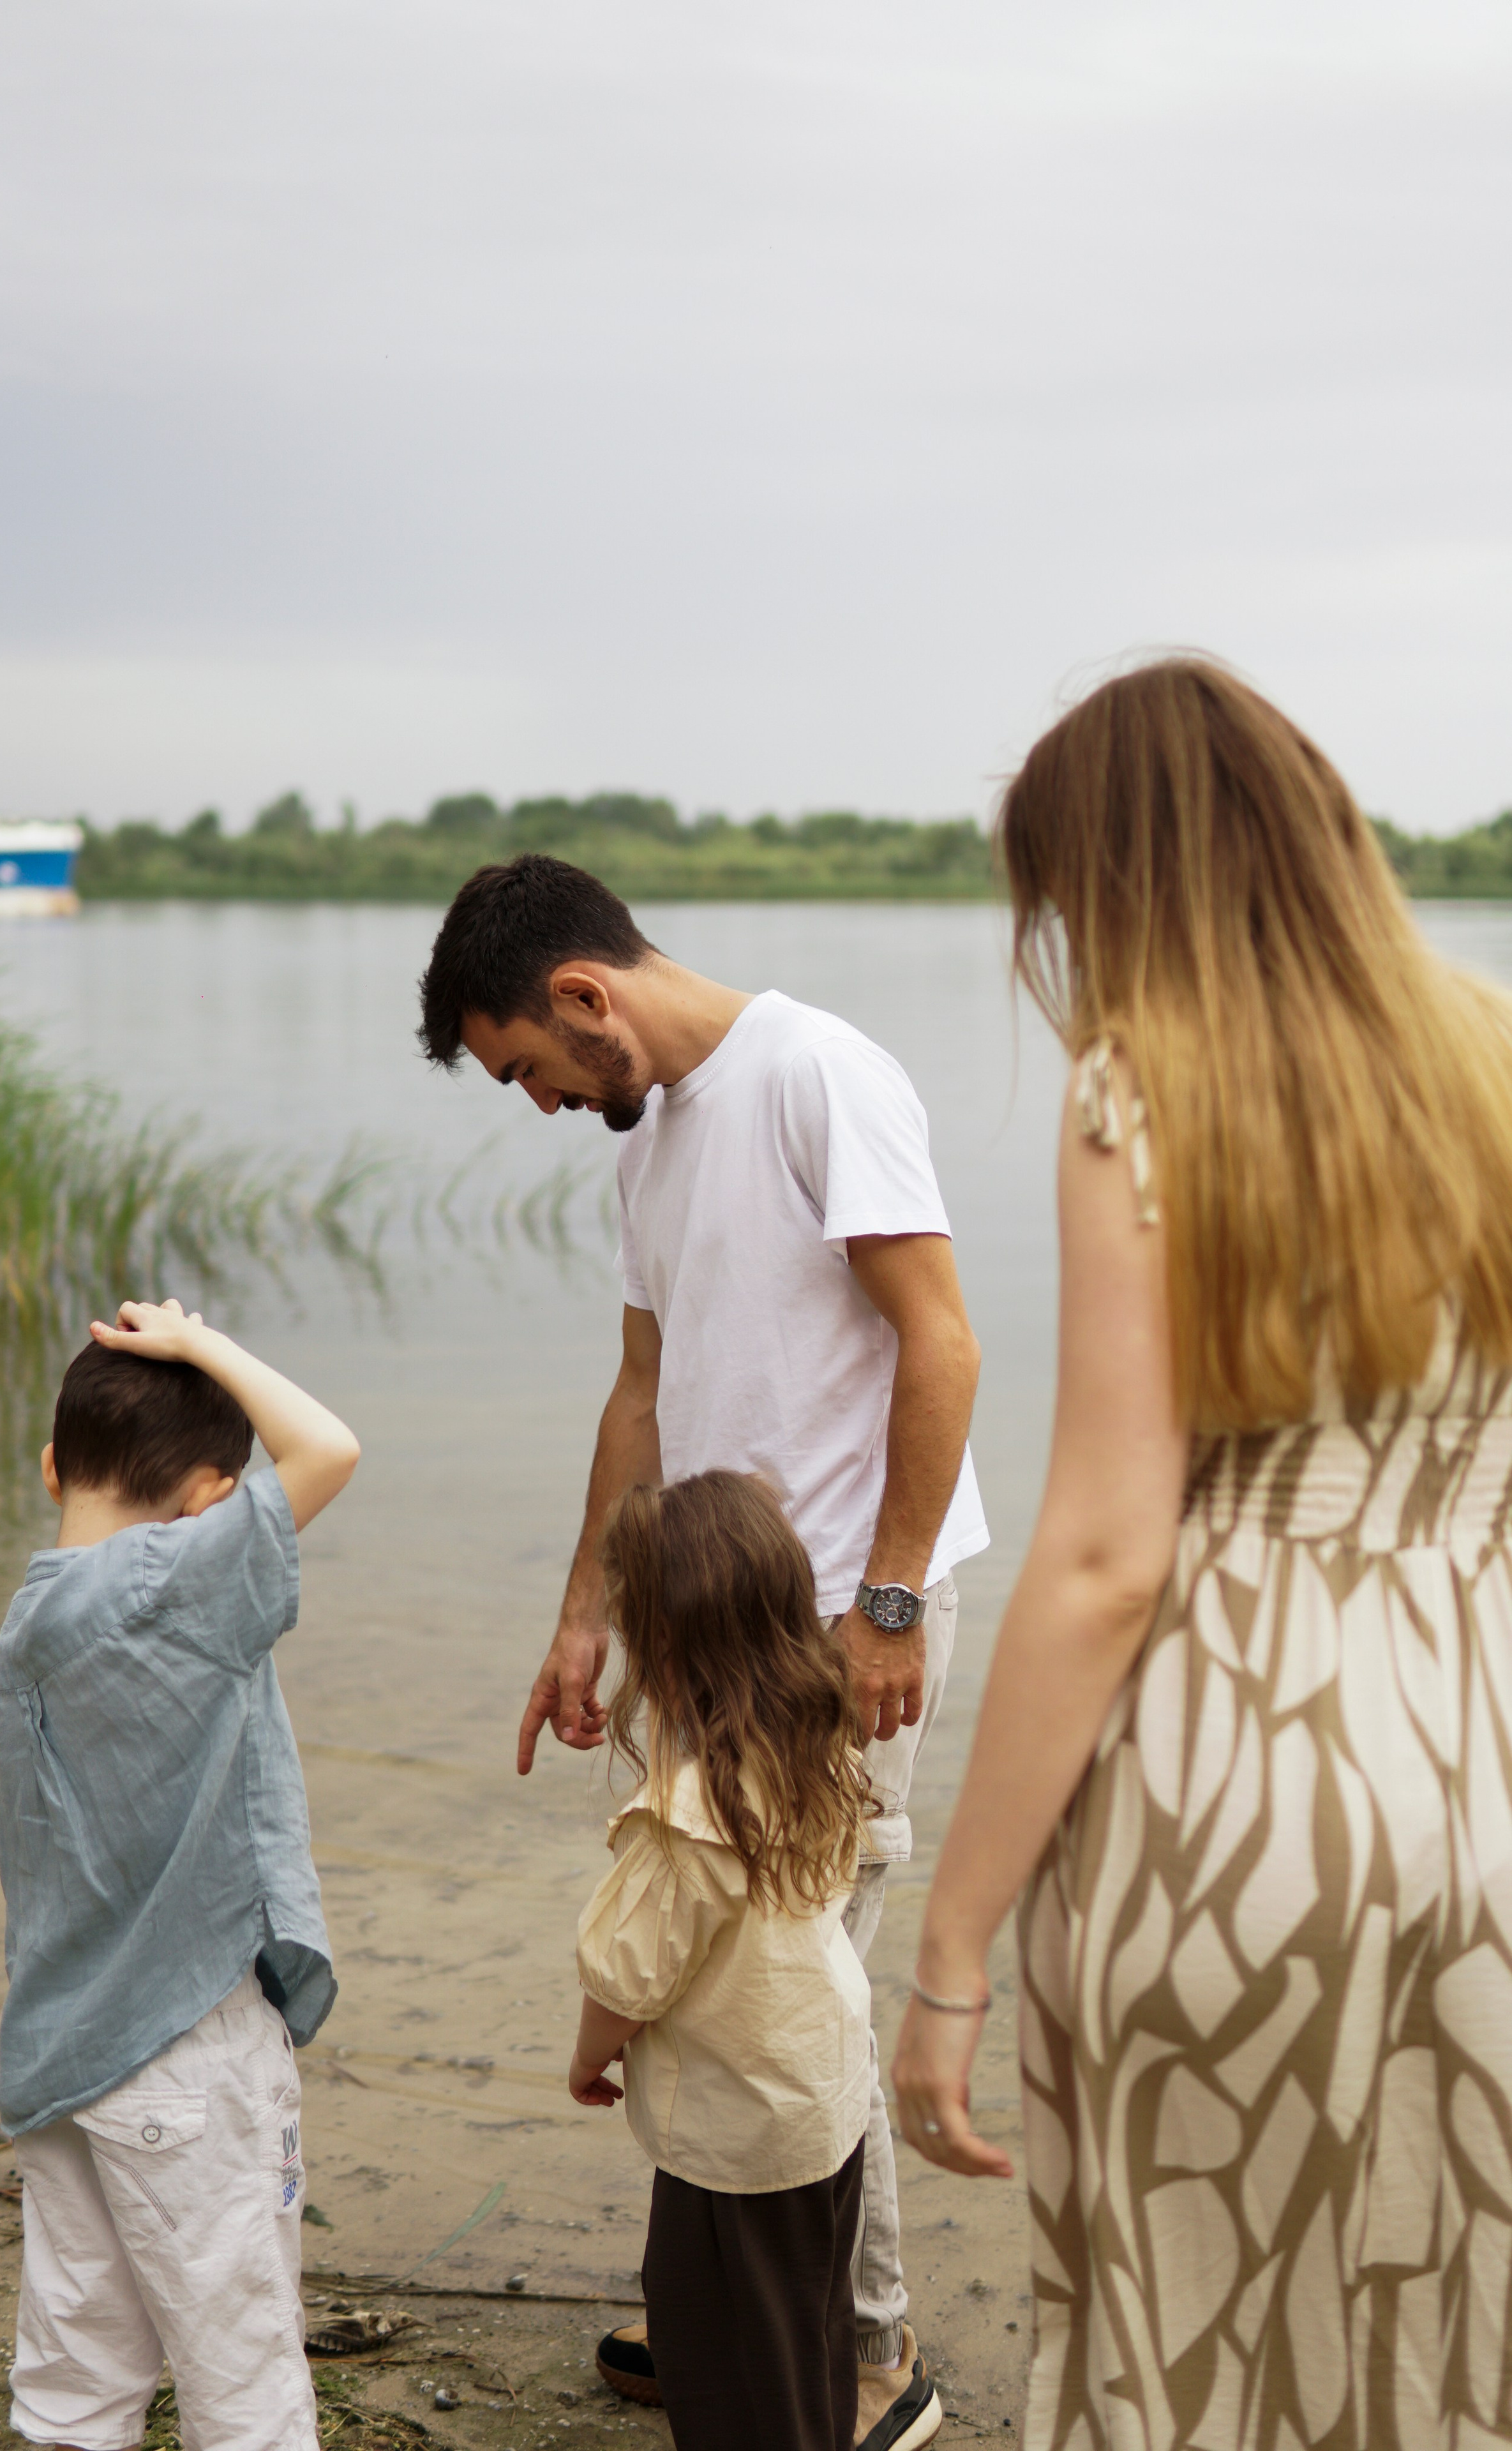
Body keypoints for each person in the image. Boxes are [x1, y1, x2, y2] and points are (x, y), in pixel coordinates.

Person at [891, 658, 1512, 2448]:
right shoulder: (1484, 1061)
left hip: (1235, 1793)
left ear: (1124, 881)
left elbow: (1104, 1557)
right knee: (1434, 2330)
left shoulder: (1141, 1092)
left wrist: (953, 1946)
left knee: (1188, 2347)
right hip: (1474, 1781)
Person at [420, 852, 986, 2443]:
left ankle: (869, 2358)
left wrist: (884, 1603)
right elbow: (637, 1395)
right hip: (704, 1614)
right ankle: (733, 2301)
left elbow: (939, 1342)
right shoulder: (648, 1143)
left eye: (525, 1067)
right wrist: (582, 1614)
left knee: (809, 1983)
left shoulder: (815, 1074)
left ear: (585, 996)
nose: (533, 1101)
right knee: (704, 1962)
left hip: (835, 1624)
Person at [0, 1298, 360, 2451]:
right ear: (209, 1501)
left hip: (62, 2051)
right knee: (240, 2368)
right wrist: (202, 1343)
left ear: (54, 1466)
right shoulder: (171, 1583)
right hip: (184, 2046)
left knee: (77, 2365)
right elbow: (331, 1450)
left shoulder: (34, 1619)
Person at [571, 1469, 934, 2451]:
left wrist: (586, 2057)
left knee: (723, 2359)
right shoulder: (822, 1742)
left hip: (736, 2138)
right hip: (826, 2103)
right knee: (808, 2333)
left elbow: (627, 1979)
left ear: (664, 1643)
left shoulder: (691, 1815)